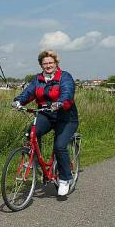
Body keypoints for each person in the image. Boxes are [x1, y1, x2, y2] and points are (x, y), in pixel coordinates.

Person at [11, 50, 79, 196]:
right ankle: (37, 166)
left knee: (60, 146)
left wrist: (60, 103)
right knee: (31, 134)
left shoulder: (65, 77)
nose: (48, 66)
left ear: (56, 64)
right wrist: (18, 101)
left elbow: (67, 92)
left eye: (50, 63)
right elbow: (29, 92)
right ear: (41, 65)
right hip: (46, 114)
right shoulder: (38, 79)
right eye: (45, 63)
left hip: (66, 116)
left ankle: (65, 178)